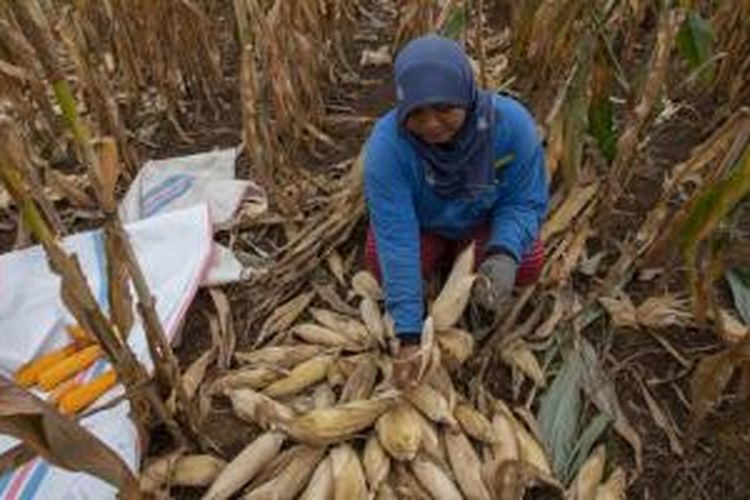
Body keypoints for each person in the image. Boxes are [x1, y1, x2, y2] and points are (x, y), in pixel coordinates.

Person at [363, 34, 548, 389]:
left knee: (528, 261)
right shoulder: (389, 146)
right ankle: (442, 265)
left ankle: (469, 261)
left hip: (482, 223)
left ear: (466, 93)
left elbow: (524, 201)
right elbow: (396, 236)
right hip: (424, 225)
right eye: (416, 112)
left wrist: (504, 251)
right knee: (378, 259)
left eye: (444, 109)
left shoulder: (511, 127)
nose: (431, 124)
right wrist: (408, 336)